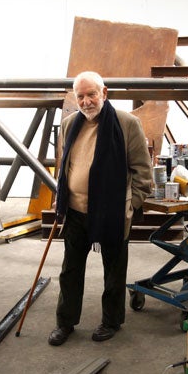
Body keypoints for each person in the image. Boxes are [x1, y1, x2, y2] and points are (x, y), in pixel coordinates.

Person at [49, 71, 153, 345]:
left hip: (112, 212)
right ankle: (65, 322)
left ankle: (111, 321)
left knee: (114, 270)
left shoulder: (127, 123)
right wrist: (62, 195)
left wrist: (130, 205)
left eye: (91, 94)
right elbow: (67, 166)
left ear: (104, 93)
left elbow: (143, 171)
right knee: (70, 270)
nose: (86, 101)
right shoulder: (70, 123)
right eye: (80, 96)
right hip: (75, 211)